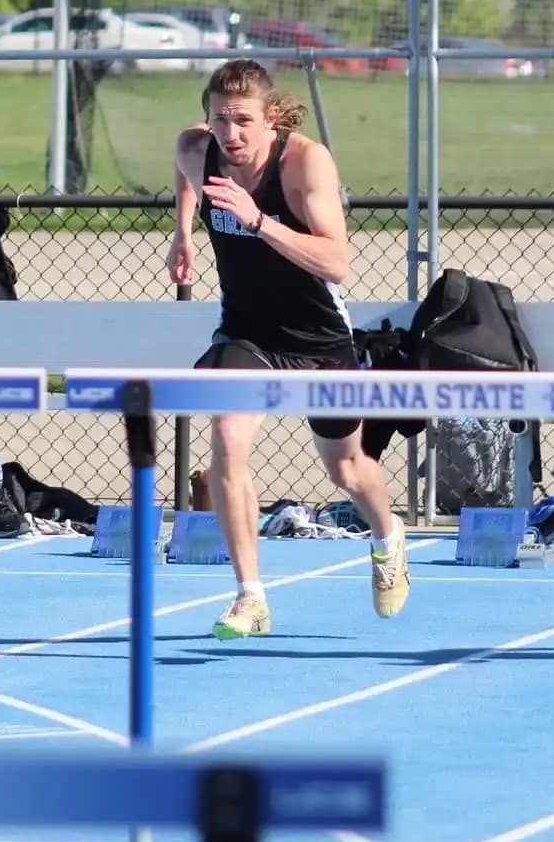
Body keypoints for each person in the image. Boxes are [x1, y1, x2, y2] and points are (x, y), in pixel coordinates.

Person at [167, 59, 407, 639]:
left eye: (244, 120)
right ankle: (250, 594)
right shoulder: (195, 150)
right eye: (220, 120)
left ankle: (387, 537)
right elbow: (185, 173)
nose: (232, 134)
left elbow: (338, 263)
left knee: (347, 470)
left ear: (270, 117)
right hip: (247, 334)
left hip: (319, 339)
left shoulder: (304, 161)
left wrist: (257, 222)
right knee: (226, 439)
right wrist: (183, 228)